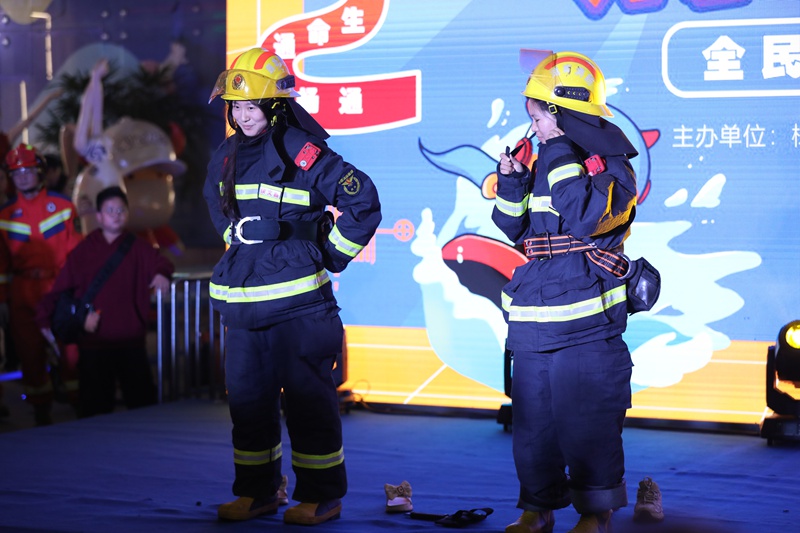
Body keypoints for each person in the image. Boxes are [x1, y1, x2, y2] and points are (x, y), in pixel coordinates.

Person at [203, 47, 381, 525]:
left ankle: (321, 495)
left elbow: (363, 201)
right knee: (247, 402)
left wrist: (330, 255)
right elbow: (217, 206)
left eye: (251, 107)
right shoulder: (227, 154)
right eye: (235, 107)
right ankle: (258, 492)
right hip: (243, 305)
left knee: (308, 402)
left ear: (275, 106)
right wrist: (238, 242)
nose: (242, 116)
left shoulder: (305, 151)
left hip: (300, 305)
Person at [493, 51, 642, 533]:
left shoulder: (612, 168)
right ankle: (537, 509)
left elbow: (583, 218)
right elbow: (517, 232)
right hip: (535, 319)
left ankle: (595, 513)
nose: (533, 127)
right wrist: (512, 184)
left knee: (588, 422)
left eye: (539, 116)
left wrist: (555, 149)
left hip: (586, 320)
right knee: (533, 427)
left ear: (562, 113)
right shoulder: (542, 161)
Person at [36, 186, 173, 417]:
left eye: (121, 209)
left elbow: (163, 263)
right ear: (99, 216)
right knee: (95, 409)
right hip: (94, 342)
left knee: (142, 407)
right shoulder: (84, 250)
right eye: (110, 210)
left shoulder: (139, 248)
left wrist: (161, 273)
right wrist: (43, 318)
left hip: (131, 341)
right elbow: (61, 289)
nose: (116, 214)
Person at [0, 143, 83, 425]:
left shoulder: (63, 207)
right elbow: (1, 265)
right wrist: (2, 300)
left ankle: (80, 405)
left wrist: (78, 291)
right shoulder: (4, 216)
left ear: (41, 173)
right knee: (29, 352)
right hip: (22, 291)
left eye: (27, 170)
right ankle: (40, 411)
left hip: (58, 287)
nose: (22, 177)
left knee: (70, 350)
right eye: (16, 173)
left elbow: (76, 254)